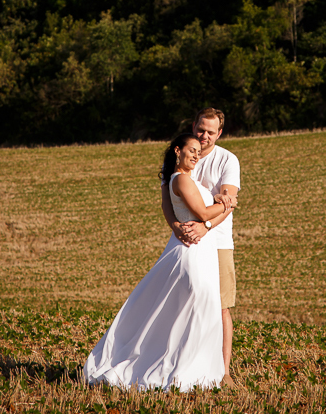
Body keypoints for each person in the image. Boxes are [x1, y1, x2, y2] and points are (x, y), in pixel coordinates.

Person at [84, 133, 234, 391]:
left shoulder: (190, 180)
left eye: (199, 151)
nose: (197, 155)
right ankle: (181, 371)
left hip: (204, 250)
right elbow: (202, 213)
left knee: (202, 310)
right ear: (178, 151)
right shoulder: (182, 179)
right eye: (192, 150)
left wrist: (218, 203)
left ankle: (202, 370)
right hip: (192, 253)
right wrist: (227, 206)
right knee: (198, 307)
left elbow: (205, 209)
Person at [161, 107, 240, 388]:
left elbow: (228, 204)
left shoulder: (227, 160)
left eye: (210, 132)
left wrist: (205, 227)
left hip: (217, 243)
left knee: (219, 307)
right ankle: (184, 364)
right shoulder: (183, 158)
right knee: (185, 305)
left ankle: (224, 371)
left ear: (220, 133)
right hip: (188, 245)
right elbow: (166, 202)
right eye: (200, 129)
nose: (204, 136)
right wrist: (175, 227)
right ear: (194, 126)